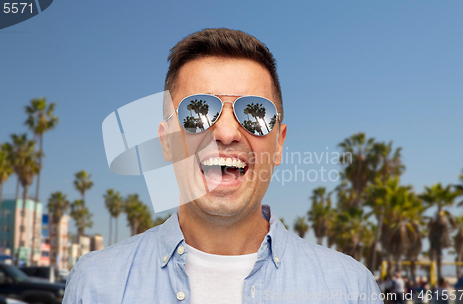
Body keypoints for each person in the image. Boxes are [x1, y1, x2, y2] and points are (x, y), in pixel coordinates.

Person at [63, 28, 383, 303]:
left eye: (255, 113)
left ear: (279, 143)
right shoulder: (94, 285)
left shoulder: (350, 288)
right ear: (166, 142)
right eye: (197, 113)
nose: (227, 133)